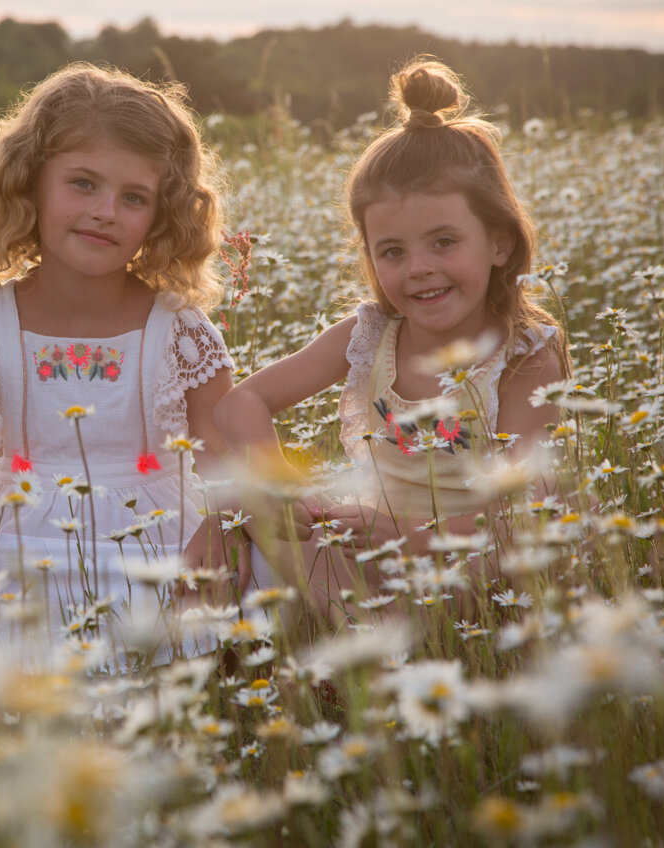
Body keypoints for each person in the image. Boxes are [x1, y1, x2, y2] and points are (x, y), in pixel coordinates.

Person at [214, 57, 568, 622]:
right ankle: (363, 634)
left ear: (499, 244)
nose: (419, 268)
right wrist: (285, 492)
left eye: (444, 242)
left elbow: (528, 520)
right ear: (370, 257)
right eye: (393, 252)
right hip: (377, 554)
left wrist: (409, 536)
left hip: (477, 564)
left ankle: (372, 646)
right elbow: (240, 404)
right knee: (251, 509)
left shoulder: (523, 356)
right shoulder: (372, 336)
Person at [0, 62, 237, 652]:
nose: (105, 211)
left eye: (133, 197)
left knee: (270, 556)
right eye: (83, 184)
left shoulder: (181, 333)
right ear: (29, 183)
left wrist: (222, 528)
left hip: (155, 539)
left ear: (161, 215)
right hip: (21, 535)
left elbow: (225, 465)